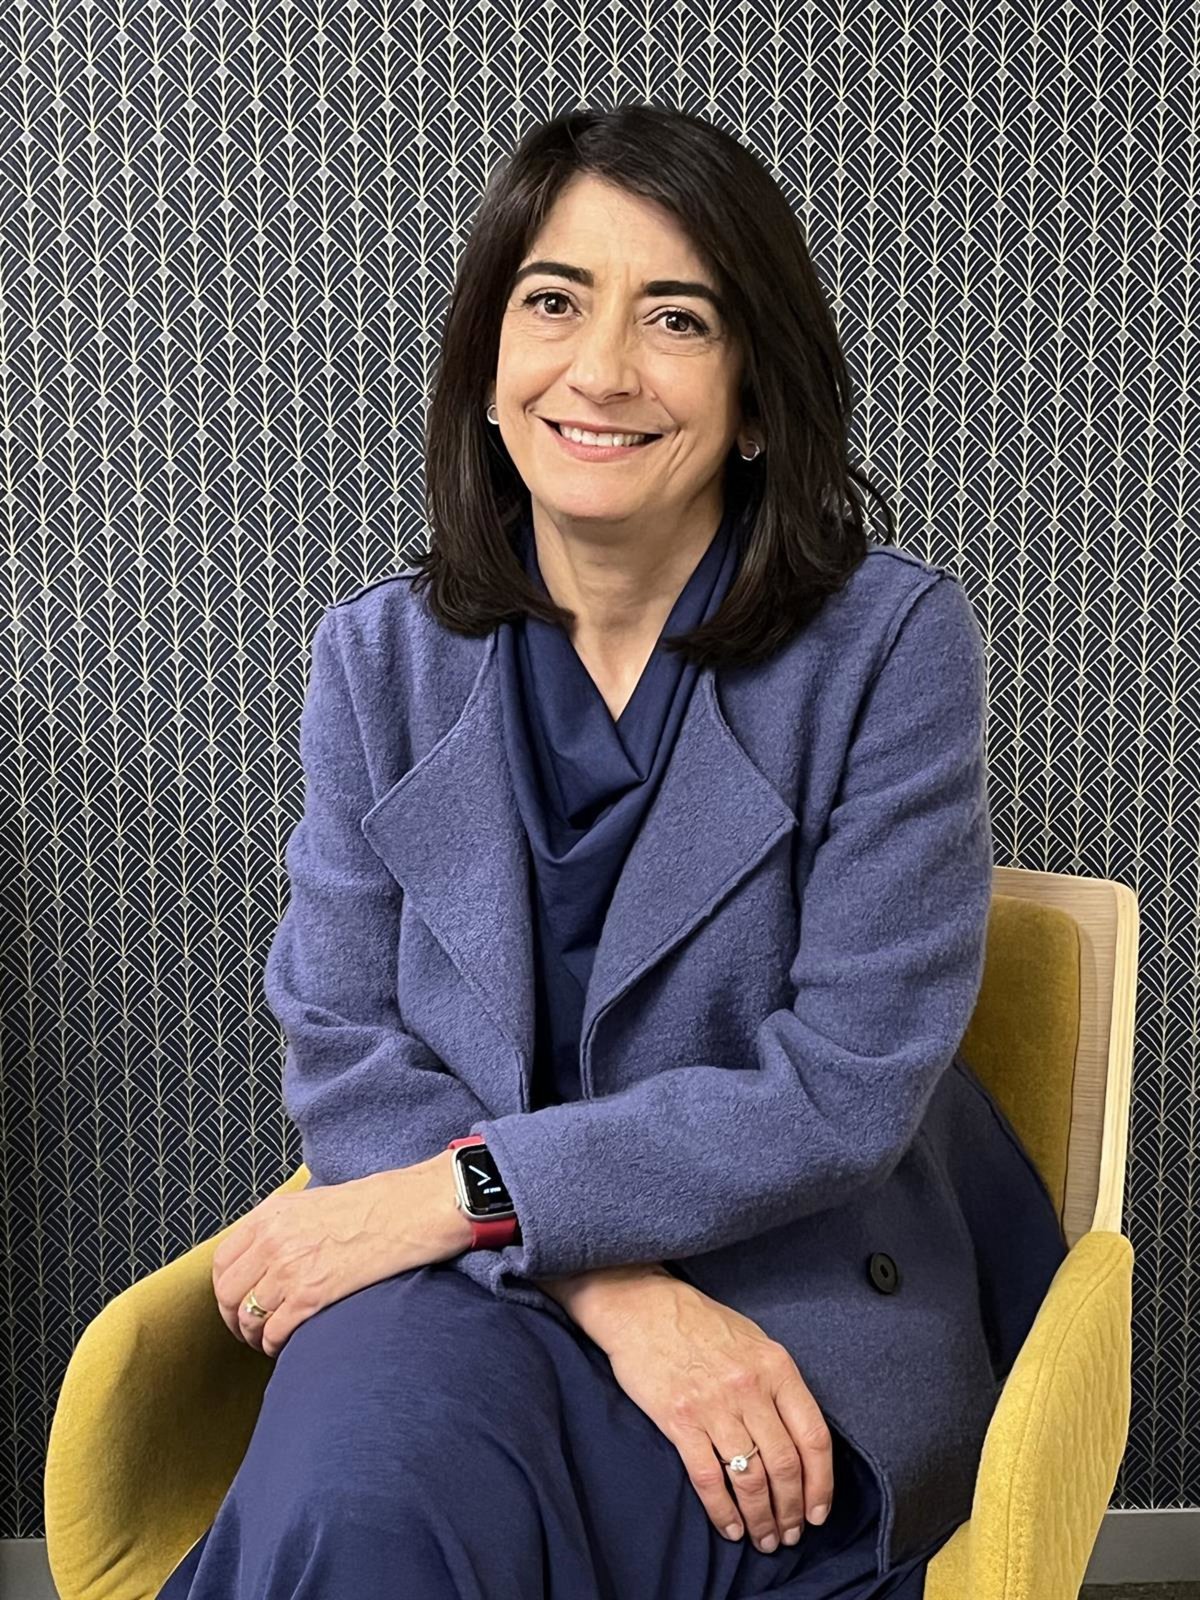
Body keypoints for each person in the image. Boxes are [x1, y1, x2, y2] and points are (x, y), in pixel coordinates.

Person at [156, 103, 1069, 1598]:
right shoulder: (377, 659)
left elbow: (843, 1082)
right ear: (489, 365)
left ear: (757, 399)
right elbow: (343, 1040)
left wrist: (463, 1197)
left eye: (678, 318)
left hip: (784, 1300)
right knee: (356, 1514)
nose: (602, 368)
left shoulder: (889, 646)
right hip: (462, 1293)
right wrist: (597, 1279)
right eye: (554, 301)